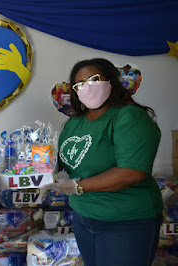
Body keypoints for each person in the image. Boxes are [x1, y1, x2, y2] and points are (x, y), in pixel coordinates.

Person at [50, 58, 163, 266]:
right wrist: (35, 167)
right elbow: (64, 165)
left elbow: (131, 172)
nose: (87, 87)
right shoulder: (74, 123)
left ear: (111, 80)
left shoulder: (128, 117)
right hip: (84, 218)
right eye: (80, 84)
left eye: (94, 79)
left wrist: (78, 186)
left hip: (125, 221)